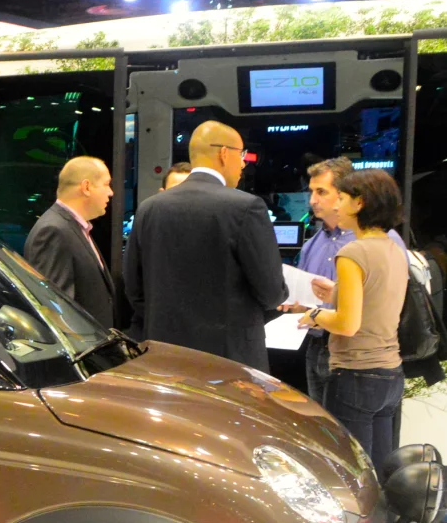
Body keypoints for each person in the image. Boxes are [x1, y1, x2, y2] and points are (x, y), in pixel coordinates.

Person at [124, 121, 286, 371]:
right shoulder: (246, 207)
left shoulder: (149, 208)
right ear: (224, 154)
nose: (243, 164)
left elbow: (134, 287)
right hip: (230, 358)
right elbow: (271, 292)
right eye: (242, 155)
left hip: (165, 355)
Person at [297, 170, 406, 465]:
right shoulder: (394, 247)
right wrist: (336, 292)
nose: (336, 206)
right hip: (390, 373)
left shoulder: (352, 252)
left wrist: (314, 315)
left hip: (355, 372)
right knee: (380, 467)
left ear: (360, 203)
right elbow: (378, 299)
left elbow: (347, 324)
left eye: (342, 198)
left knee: (350, 469)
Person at [22, 156, 117, 328]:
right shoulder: (54, 230)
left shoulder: (73, 227)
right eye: (106, 184)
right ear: (86, 187)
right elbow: (56, 309)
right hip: (82, 343)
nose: (111, 192)